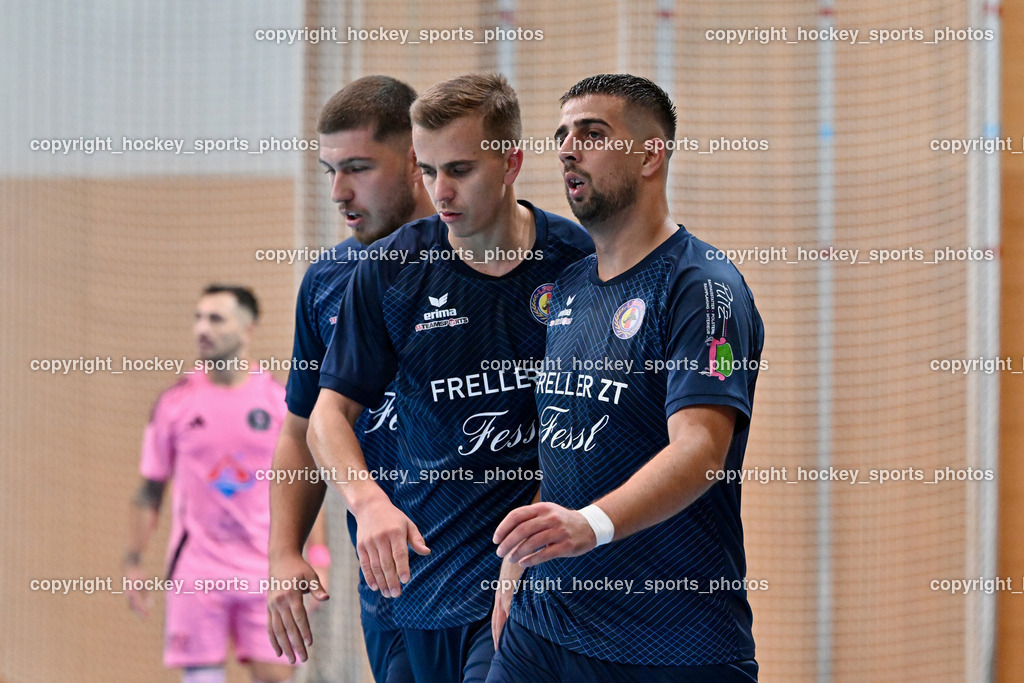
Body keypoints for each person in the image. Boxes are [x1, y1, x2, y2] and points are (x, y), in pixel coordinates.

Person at [304, 73, 593, 682]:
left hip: (527, 585)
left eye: (460, 169)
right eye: (429, 171)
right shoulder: (391, 269)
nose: (442, 190)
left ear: (512, 161)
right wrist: (368, 502)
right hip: (422, 585)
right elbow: (326, 418)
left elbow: (603, 422)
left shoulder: (576, 262)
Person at [488, 74, 764, 682]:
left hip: (672, 642)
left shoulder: (703, 288)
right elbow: (575, 443)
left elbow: (700, 449)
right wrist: (527, 549)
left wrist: (590, 525)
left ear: (649, 154)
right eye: (562, 134)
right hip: (548, 625)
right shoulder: (569, 288)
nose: (567, 147)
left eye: (592, 133)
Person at [265, 75, 433, 682]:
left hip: (489, 569)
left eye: (358, 167)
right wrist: (284, 552)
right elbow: (301, 430)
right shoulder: (327, 281)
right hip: (388, 583)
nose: (339, 191)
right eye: (328, 170)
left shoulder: (486, 259)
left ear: (417, 161)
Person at [123, 285, 293, 683]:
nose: (202, 328)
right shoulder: (174, 403)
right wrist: (133, 561)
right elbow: (149, 490)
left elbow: (299, 485)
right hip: (196, 572)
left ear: (248, 329)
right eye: (198, 318)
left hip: (264, 571)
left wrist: (315, 556)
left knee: (276, 675)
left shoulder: (278, 402)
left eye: (216, 319)